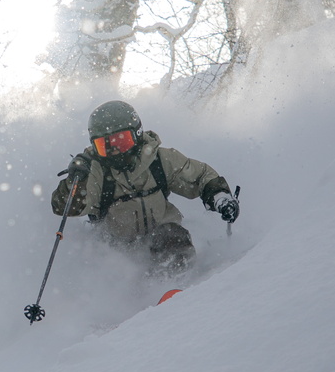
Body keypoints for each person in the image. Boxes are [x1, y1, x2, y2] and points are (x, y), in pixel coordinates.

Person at [51, 100, 238, 276]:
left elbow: (199, 177)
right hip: (118, 249)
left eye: (122, 141)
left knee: (171, 236)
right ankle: (132, 302)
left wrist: (219, 197)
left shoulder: (159, 160)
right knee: (115, 268)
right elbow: (67, 206)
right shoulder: (96, 172)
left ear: (137, 135)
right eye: (105, 146)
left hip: (164, 236)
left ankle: (179, 287)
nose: (116, 151)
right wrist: (76, 180)